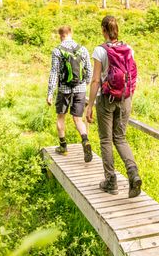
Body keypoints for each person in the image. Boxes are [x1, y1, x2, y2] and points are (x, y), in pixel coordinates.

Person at [85, 15, 142, 198]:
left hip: (106, 99)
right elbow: (133, 75)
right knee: (121, 138)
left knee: (105, 140)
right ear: (117, 29)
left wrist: (90, 105)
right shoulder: (128, 48)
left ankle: (111, 181)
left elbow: (95, 80)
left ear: (103, 30)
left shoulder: (100, 51)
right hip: (125, 98)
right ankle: (133, 174)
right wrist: (128, 97)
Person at [47, 25, 93, 162]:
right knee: (77, 119)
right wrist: (85, 83)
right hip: (80, 89)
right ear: (70, 33)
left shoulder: (57, 51)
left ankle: (63, 147)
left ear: (60, 35)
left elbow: (54, 72)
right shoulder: (82, 49)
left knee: (61, 117)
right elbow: (89, 70)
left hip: (64, 89)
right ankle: (85, 141)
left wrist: (50, 93)